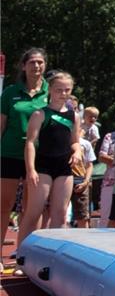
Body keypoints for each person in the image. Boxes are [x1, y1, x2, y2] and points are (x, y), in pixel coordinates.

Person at [16, 72, 82, 250]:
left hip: (64, 168)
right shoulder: (40, 114)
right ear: (50, 90)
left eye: (67, 90)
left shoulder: (74, 116)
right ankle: (22, 255)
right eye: (59, 89)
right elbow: (30, 142)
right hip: (43, 167)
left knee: (60, 215)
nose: (63, 93)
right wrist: (31, 170)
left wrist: (77, 152)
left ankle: (52, 255)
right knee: (34, 212)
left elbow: (75, 141)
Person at [1, 49, 49, 255]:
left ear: (45, 66)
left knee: (32, 209)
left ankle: (25, 255)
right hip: (9, 153)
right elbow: (1, 125)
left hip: (39, 157)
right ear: (23, 66)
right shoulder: (11, 93)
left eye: (40, 62)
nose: (36, 66)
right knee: (4, 205)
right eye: (32, 62)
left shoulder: (51, 92)